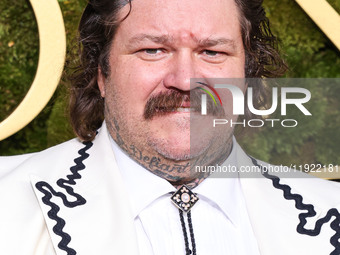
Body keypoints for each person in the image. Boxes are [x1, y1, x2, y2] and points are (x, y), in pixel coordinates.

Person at [0, 0, 339, 254]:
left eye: (212, 52)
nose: (184, 81)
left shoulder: (331, 211)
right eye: (153, 50)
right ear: (101, 73)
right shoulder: (7, 202)